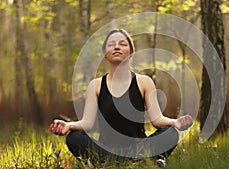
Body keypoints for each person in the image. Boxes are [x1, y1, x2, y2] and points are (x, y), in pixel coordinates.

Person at [49, 29, 193, 167]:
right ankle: (138, 162)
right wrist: (68, 126)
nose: (117, 47)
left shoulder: (144, 82)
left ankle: (134, 160)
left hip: (138, 149)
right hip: (106, 150)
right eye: (111, 44)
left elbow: (157, 120)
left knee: (170, 132)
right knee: (74, 138)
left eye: (123, 44)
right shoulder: (96, 85)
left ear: (131, 52)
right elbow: (87, 123)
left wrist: (176, 123)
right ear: (105, 53)